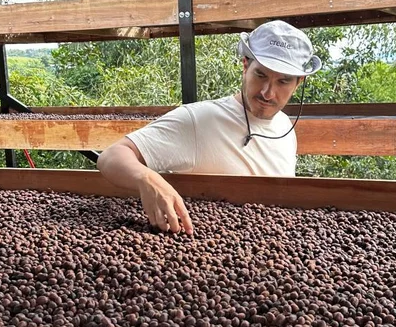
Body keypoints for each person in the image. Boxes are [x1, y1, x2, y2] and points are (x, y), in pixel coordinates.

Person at [97, 20, 322, 234]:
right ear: (245, 66)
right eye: (260, 75)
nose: (267, 92)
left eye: (283, 81)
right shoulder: (197, 120)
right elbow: (111, 157)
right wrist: (146, 178)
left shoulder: (284, 126)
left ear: (299, 82)